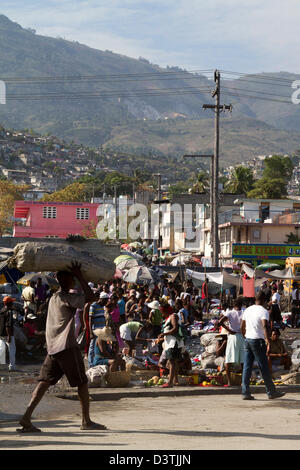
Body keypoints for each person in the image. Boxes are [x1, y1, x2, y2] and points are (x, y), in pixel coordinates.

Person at [18, 262, 107, 433]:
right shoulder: (65, 297)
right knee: (82, 382)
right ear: (64, 280)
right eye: (72, 278)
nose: (74, 281)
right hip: (66, 346)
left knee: (44, 383)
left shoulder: (54, 297)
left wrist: (77, 276)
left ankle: (26, 417)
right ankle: (86, 421)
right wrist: (80, 275)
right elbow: (91, 298)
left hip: (53, 347)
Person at [241, 290, 285, 400]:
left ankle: (245, 392)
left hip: (248, 340)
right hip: (258, 341)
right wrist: (268, 340)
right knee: (264, 367)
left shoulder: (248, 310)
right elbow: (265, 326)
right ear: (264, 300)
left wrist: (245, 336)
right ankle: (271, 392)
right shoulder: (264, 311)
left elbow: (242, 325)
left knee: (247, 366)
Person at [218, 297, 245, 386]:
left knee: (228, 360)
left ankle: (229, 382)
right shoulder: (244, 313)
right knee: (243, 361)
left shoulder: (230, 312)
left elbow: (220, 322)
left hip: (232, 337)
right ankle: (243, 382)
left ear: (234, 305)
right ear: (241, 304)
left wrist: (228, 329)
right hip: (241, 336)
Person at [156, 305, 184, 388]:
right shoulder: (168, 318)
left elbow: (175, 328)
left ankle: (170, 382)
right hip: (170, 343)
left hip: (173, 342)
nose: (162, 314)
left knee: (172, 362)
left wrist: (164, 334)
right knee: (174, 362)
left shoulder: (173, 316)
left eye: (162, 312)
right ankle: (175, 381)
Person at [88, 292, 109, 367]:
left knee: (99, 347)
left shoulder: (102, 306)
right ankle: (91, 364)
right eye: (105, 301)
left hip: (102, 330)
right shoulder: (93, 306)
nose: (106, 302)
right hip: (95, 330)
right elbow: (90, 319)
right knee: (92, 347)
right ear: (101, 299)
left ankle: (97, 362)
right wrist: (90, 332)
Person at [0, 296, 17, 371]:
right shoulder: (9, 312)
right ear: (10, 303)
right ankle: (12, 367)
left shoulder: (2, 310)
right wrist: (9, 336)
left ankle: (2, 365)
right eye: (12, 302)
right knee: (12, 350)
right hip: (8, 333)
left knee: (1, 350)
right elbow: (8, 325)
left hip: (1, 333)